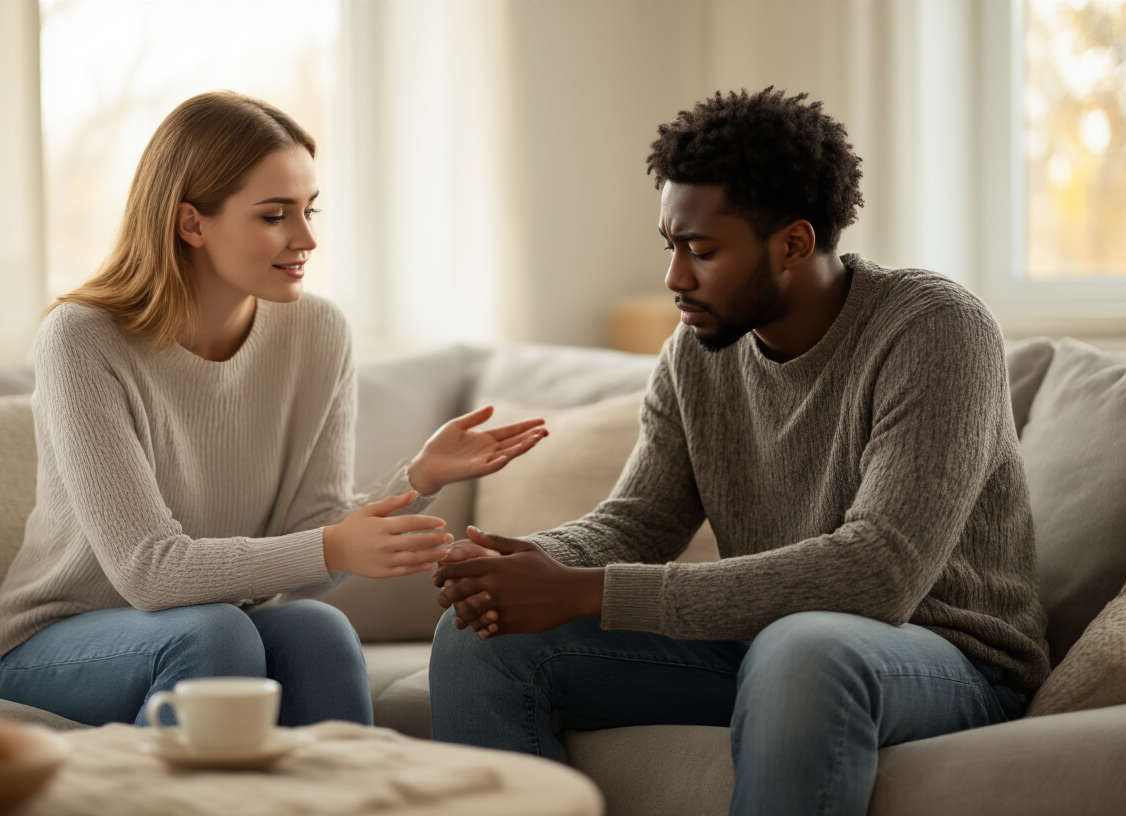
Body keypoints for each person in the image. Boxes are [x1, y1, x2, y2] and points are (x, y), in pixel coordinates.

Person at [428, 88, 1048, 816]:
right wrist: (518, 564)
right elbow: (636, 522)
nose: (674, 279)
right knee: (479, 638)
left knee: (805, 649)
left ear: (791, 242)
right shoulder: (696, 357)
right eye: (671, 246)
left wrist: (588, 590)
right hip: (776, 640)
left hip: (946, 656)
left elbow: (880, 572)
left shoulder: (936, 329)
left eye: (703, 250)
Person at [0, 91, 547, 729]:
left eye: (309, 209)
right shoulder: (82, 338)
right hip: (55, 643)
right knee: (217, 634)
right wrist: (330, 545)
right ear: (191, 223)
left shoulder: (317, 331)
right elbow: (147, 573)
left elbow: (312, 542)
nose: (306, 238)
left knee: (315, 629)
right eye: (275, 215)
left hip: (212, 627)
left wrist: (418, 481)